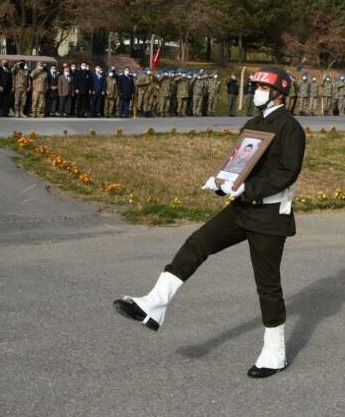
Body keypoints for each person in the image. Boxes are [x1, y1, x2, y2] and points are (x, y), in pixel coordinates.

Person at [114, 66, 305, 378]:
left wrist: (249, 188)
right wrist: (222, 180)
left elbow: (287, 172)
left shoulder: (290, 128)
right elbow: (240, 161)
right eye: (254, 87)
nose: (255, 92)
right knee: (198, 243)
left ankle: (274, 353)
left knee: (267, 285)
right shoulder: (254, 123)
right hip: (242, 207)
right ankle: (155, 304)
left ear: (279, 93)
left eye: (261, 88)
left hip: (269, 215)